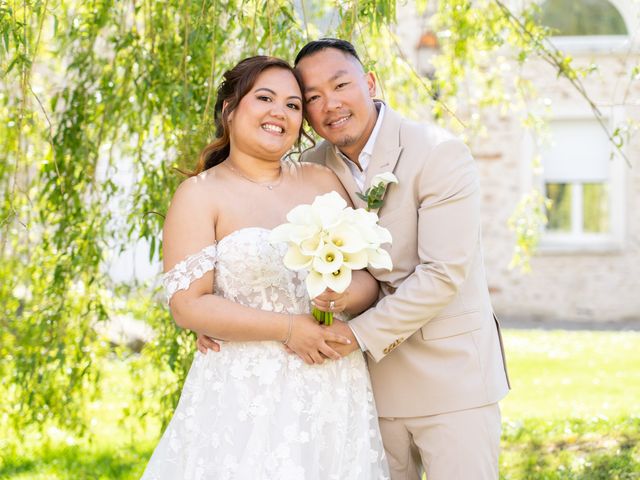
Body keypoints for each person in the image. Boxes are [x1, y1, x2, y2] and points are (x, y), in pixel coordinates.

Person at [196, 39, 511, 480]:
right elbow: (284, 263)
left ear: (370, 82)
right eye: (312, 98)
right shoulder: (310, 167)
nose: (330, 104)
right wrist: (225, 319)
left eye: (340, 85)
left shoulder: (438, 152)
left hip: (450, 380)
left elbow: (442, 275)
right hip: (363, 391)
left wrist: (354, 335)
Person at [141, 55, 389, 479]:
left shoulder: (321, 181)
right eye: (265, 98)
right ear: (230, 110)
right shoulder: (200, 195)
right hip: (245, 392)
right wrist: (290, 329)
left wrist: (343, 296)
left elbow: (368, 279)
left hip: (332, 384)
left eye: (294, 105)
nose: (280, 112)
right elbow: (188, 305)